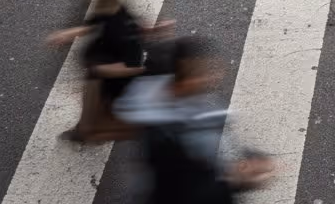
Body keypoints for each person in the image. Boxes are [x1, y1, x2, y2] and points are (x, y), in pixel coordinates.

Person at [115, 36, 274, 203]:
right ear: (183, 77)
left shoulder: (180, 101)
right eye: (201, 73)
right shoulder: (163, 138)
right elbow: (185, 192)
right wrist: (238, 181)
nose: (213, 77)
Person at [47, 0, 153, 142]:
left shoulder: (114, 16)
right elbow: (97, 23)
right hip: (103, 61)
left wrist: (99, 70)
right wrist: (69, 34)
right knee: (94, 111)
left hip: (112, 72)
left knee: (97, 127)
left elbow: (133, 64)